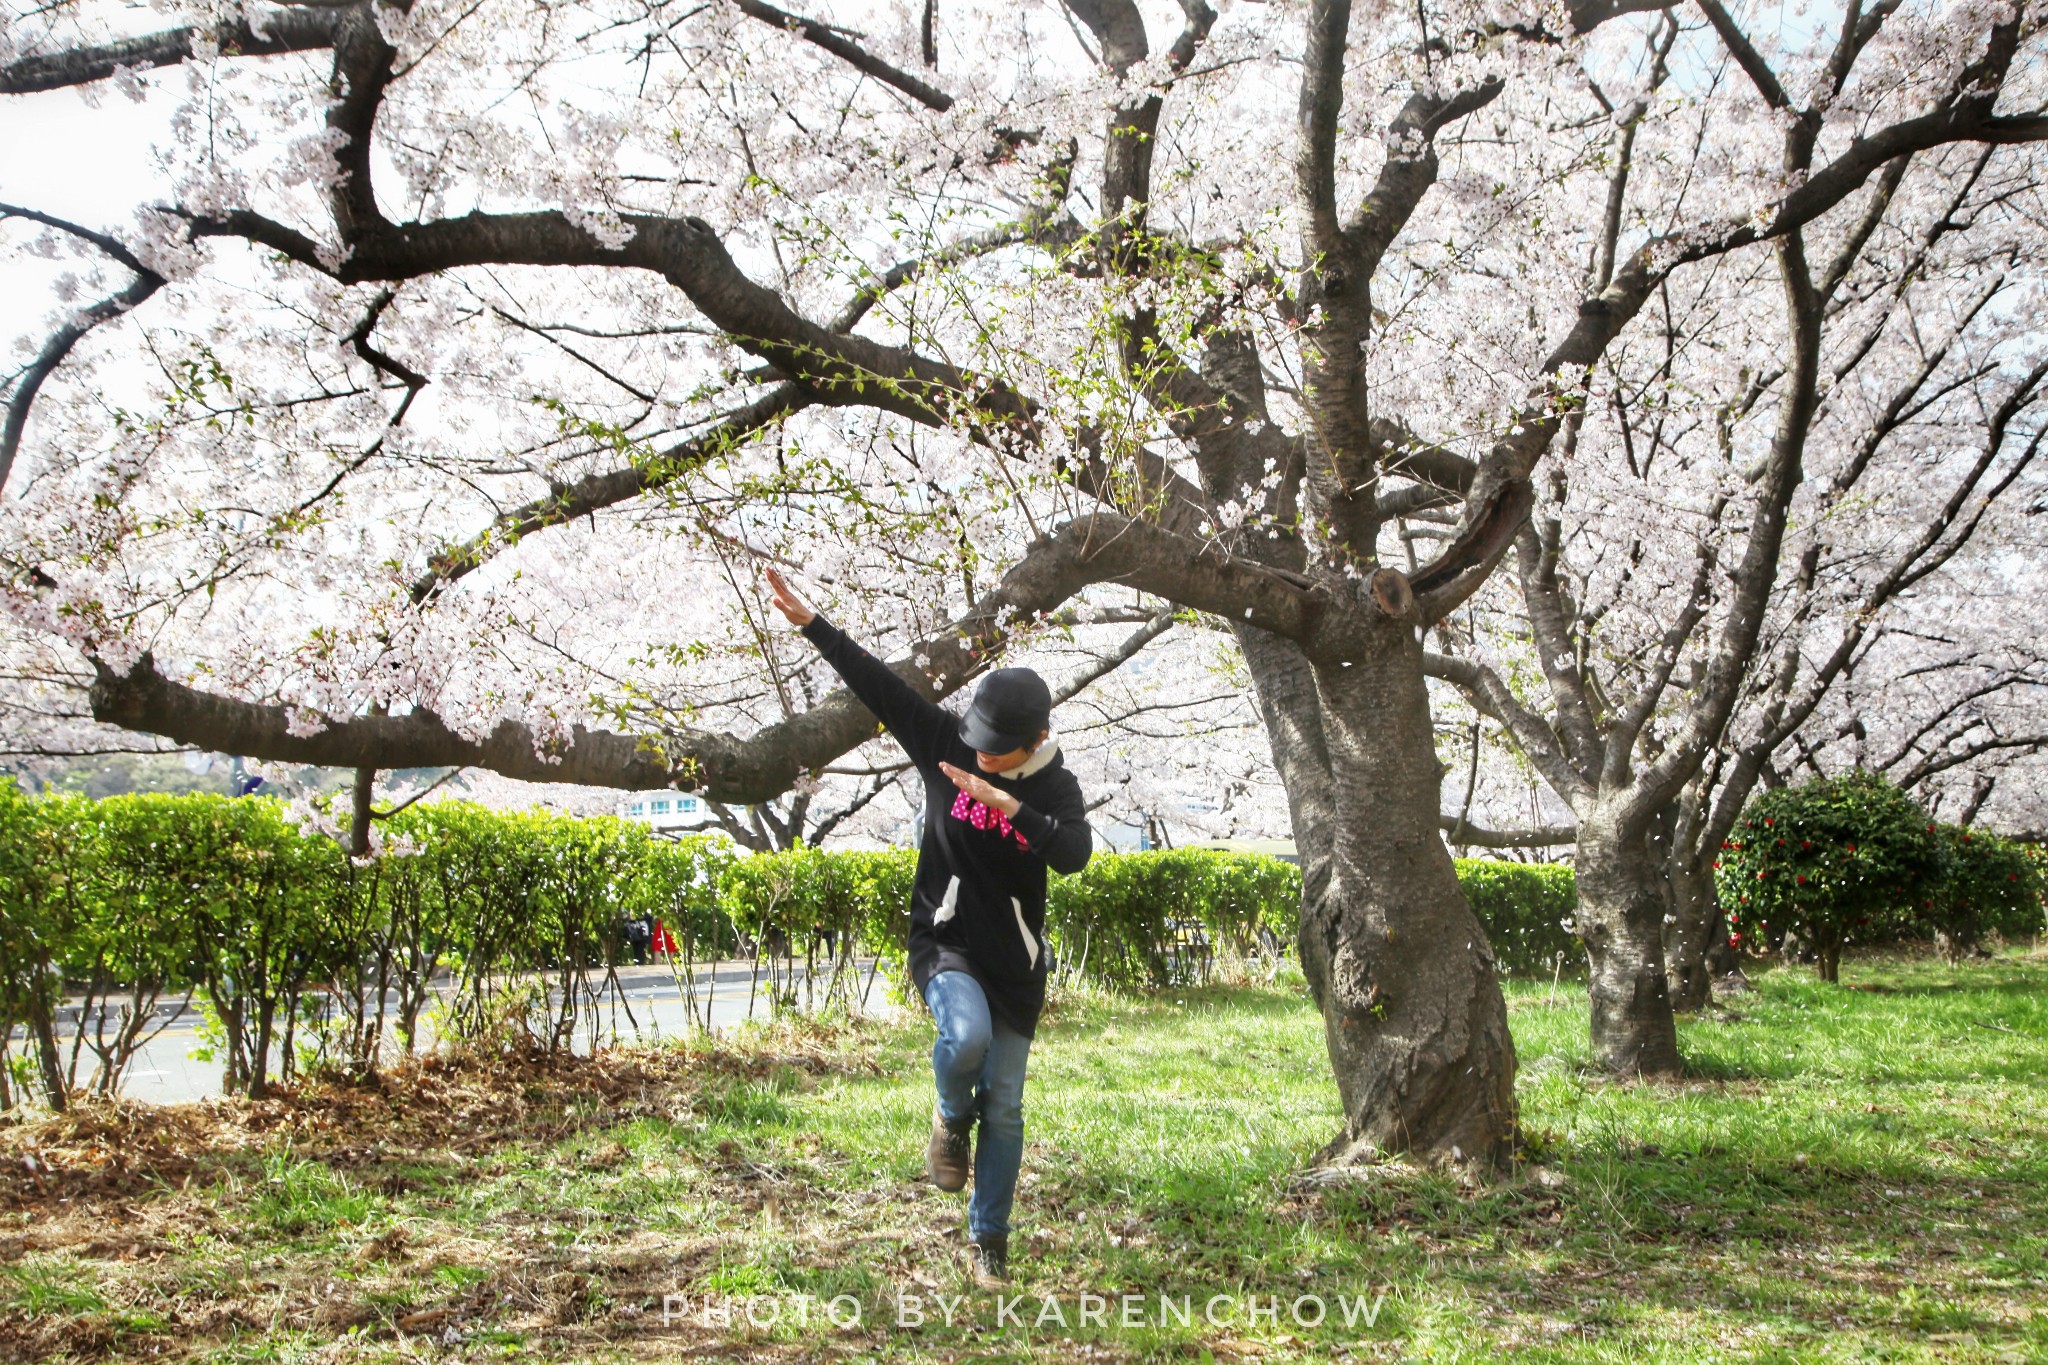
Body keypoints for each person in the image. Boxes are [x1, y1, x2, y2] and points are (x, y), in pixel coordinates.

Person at [764, 567, 1092, 1283]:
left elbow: (1074, 854)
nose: (978, 754)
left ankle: (989, 1242)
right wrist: (812, 624)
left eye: (996, 747)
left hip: (1014, 960)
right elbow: (880, 686)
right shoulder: (945, 743)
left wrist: (1006, 806)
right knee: (964, 1037)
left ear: (1037, 738)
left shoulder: (1053, 787)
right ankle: (948, 1116)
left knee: (1005, 1106)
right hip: (944, 939)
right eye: (974, 737)